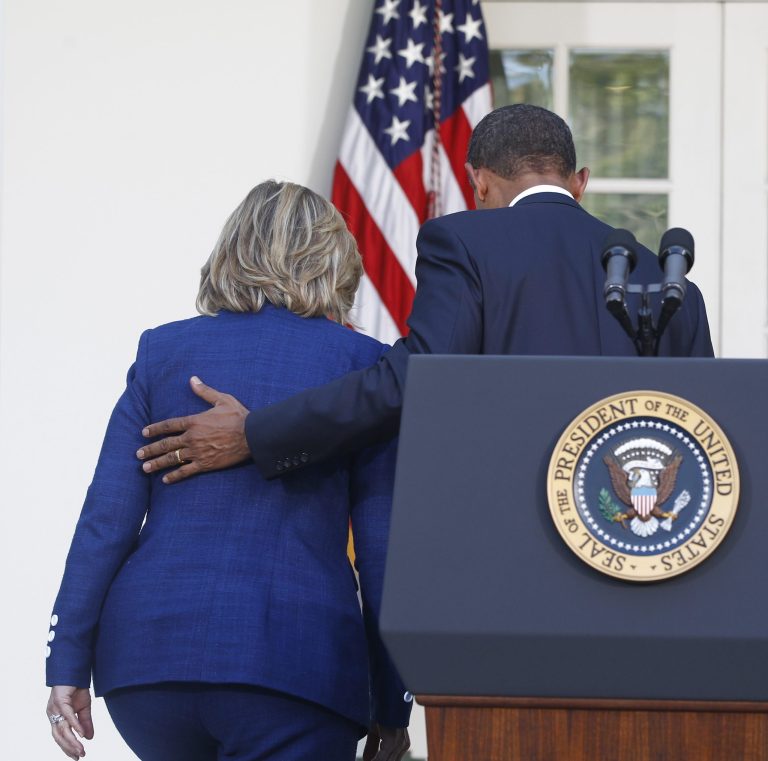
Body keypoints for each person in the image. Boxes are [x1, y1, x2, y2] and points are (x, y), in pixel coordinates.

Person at [135, 104, 714, 484]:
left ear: (477, 181)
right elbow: (703, 440)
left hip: (507, 540)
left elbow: (415, 379)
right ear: (579, 181)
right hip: (638, 551)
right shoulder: (668, 284)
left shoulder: (463, 240)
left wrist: (258, 433)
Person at [45, 180, 411, 761]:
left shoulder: (162, 352)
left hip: (147, 667)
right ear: (335, 260)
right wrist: (393, 700)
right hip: (292, 667)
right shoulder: (365, 368)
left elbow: (106, 519)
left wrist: (66, 660)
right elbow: (382, 547)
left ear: (231, 252)